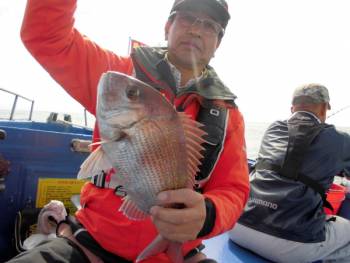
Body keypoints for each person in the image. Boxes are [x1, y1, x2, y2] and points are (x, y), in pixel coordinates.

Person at [12, 0, 249, 262]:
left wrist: (208, 214)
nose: (195, 30)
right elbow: (46, 34)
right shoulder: (120, 79)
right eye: (187, 19)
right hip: (91, 243)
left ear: (218, 43)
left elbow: (233, 190)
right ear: (167, 26)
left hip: (176, 255)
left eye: (209, 25)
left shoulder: (228, 115)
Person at [230, 83, 350, 263]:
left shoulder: (273, 128)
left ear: (292, 107)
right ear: (324, 108)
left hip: (237, 227)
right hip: (290, 244)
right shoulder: (338, 139)